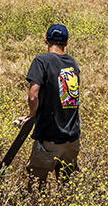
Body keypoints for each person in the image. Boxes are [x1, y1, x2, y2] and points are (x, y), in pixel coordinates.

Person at [17, 24, 81, 191]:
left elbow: (33, 96)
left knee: (36, 184)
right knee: (66, 185)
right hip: (72, 139)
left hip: (49, 139)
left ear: (45, 39)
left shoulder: (41, 61)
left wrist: (31, 114)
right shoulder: (72, 64)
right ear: (67, 42)